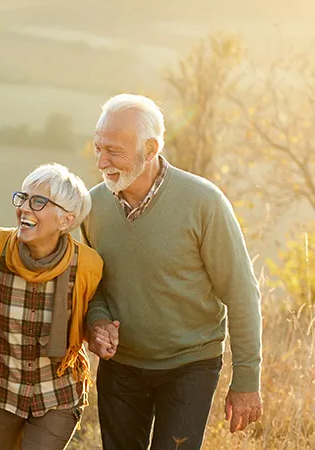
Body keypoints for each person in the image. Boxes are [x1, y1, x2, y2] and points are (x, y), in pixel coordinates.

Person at [83, 94, 263, 450]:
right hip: (122, 365)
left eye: (114, 151)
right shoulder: (94, 206)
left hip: (190, 364)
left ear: (150, 149)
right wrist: (98, 320)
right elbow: (93, 286)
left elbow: (241, 293)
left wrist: (246, 380)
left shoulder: (204, 202)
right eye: (98, 148)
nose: (102, 162)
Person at [0, 164, 103, 450]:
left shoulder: (87, 264)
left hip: (56, 395)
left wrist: (101, 327)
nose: (24, 208)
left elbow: (98, 304)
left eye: (38, 202)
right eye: (23, 198)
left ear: (65, 220)